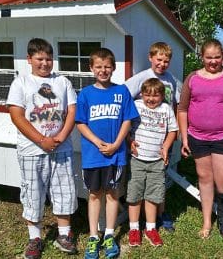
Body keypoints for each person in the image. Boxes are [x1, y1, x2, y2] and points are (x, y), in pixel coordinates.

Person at [6, 38, 78, 259]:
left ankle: (64, 235)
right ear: (29, 59)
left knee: (64, 190)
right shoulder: (21, 83)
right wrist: (41, 140)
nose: (45, 63)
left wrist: (62, 136)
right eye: (39, 59)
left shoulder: (62, 82)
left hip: (61, 148)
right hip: (31, 150)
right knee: (33, 191)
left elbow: (72, 111)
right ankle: (35, 237)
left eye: (48, 59)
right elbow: (16, 115)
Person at [75, 48, 139, 259]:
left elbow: (127, 120)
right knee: (94, 195)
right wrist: (97, 141)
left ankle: (109, 234)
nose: (103, 71)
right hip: (93, 155)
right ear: (91, 68)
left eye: (107, 67)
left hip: (116, 154)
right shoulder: (85, 94)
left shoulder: (121, 92)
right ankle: (94, 236)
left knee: (112, 194)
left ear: (113, 68)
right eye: (99, 67)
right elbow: (81, 123)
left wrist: (116, 144)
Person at [178, 38, 223, 239]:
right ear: (202, 57)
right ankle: (207, 220)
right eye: (209, 57)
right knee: (205, 179)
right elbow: (182, 109)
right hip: (197, 137)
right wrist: (184, 138)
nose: (213, 61)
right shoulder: (192, 78)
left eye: (217, 57)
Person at [125, 41, 181, 232]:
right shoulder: (142, 77)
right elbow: (124, 96)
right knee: (139, 181)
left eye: (166, 61)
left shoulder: (171, 79)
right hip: (143, 140)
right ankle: (140, 220)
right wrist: (128, 137)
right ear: (151, 57)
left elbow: (177, 102)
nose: (162, 64)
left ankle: (159, 214)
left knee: (159, 178)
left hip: (164, 138)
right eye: (159, 59)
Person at [127, 78, 178, 247]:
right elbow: (125, 125)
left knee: (153, 195)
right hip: (137, 159)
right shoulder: (136, 105)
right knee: (135, 194)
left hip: (157, 161)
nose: (151, 99)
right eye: (147, 95)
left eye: (155, 96)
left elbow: (172, 130)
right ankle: (134, 228)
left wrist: (165, 147)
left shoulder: (166, 109)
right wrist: (129, 141)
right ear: (141, 94)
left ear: (162, 96)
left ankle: (150, 228)